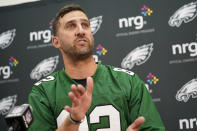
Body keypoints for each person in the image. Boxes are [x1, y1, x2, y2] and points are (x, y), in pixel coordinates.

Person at [28, 4, 165, 131]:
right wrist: (73, 120)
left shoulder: (128, 82)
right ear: (56, 41)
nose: (80, 31)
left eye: (85, 25)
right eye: (71, 26)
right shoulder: (42, 92)